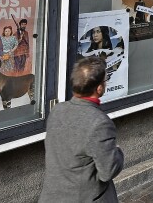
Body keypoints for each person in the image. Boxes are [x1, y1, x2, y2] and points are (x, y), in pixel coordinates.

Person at [39, 57, 124, 202]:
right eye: (105, 81)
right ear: (99, 88)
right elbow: (108, 171)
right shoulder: (99, 123)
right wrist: (118, 152)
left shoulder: (57, 110)